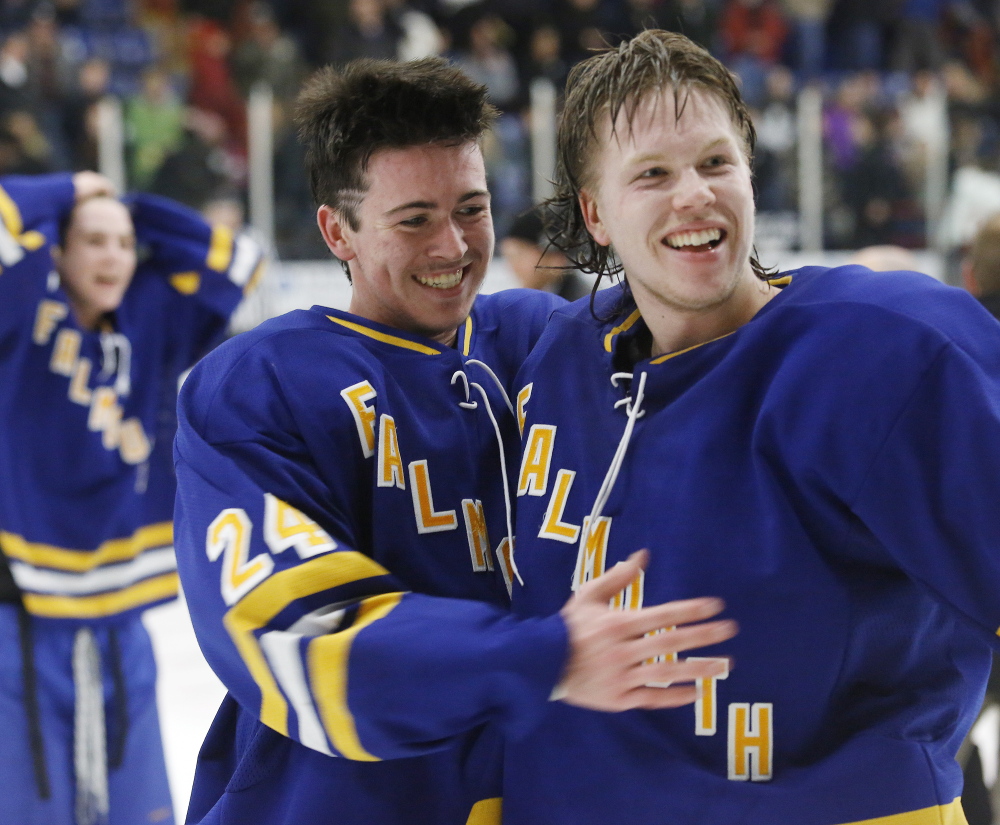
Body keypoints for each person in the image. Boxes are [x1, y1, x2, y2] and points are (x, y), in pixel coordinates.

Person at [172, 57, 737, 825]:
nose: (453, 245)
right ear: (338, 230)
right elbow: (294, 630)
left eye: (470, 208)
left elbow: (709, 343)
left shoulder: (538, 339)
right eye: (414, 219)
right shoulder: (260, 383)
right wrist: (544, 656)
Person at [504, 29, 1000, 825]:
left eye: (715, 162)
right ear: (594, 213)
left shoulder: (885, 349)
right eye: (653, 175)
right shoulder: (553, 357)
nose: (694, 195)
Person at [0, 171, 265, 825]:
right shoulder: (19, 308)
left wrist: (129, 207)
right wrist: (70, 187)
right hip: (20, 615)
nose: (113, 256)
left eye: (123, 243)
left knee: (139, 811)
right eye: (93, 241)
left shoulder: (152, 316)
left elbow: (238, 261)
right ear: (55, 252)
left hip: (121, 610)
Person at [500, 205, 589, 301]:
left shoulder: (586, 305)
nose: (513, 267)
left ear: (556, 258)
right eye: (508, 257)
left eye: (518, 255)